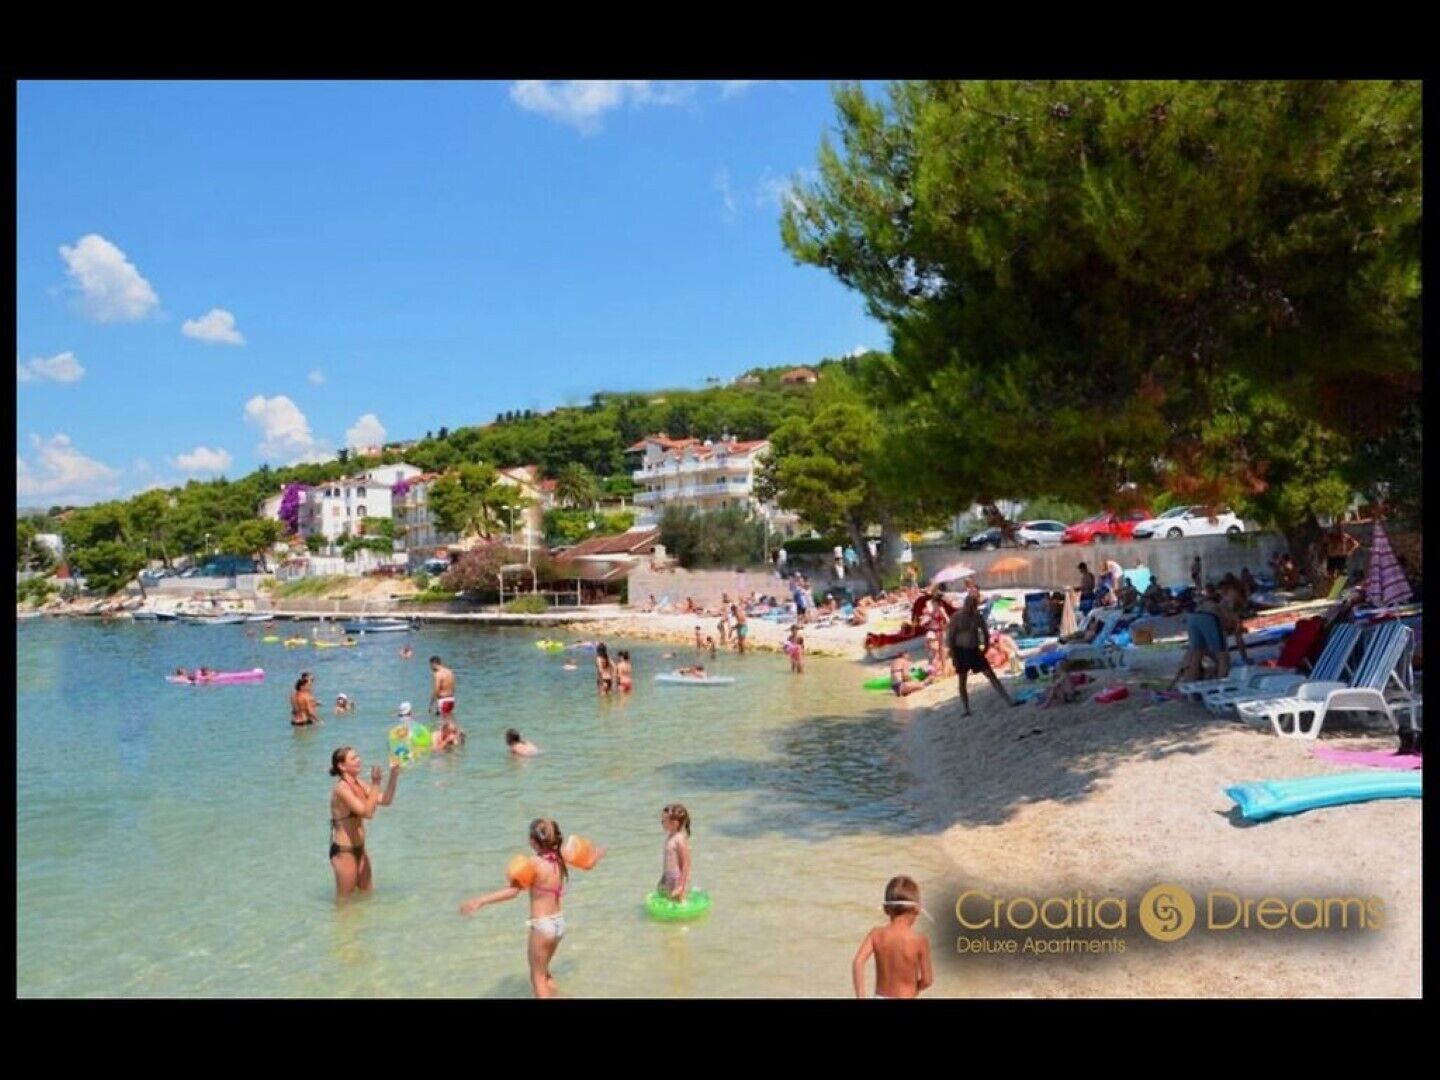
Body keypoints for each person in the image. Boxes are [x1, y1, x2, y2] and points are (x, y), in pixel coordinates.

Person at [459, 818, 605, 999]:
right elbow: (588, 864)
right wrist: (596, 856)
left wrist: (480, 901)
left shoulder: (533, 864)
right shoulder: (561, 857)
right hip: (559, 924)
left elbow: (512, 892)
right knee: (545, 973)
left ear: (533, 842)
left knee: (537, 978)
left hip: (543, 926)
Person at [328, 746, 399, 900]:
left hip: (360, 848)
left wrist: (394, 774)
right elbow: (367, 813)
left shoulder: (359, 783)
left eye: (358, 756)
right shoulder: (341, 789)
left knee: (367, 898)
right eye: (353, 758)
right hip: (344, 851)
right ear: (341, 766)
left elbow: (386, 800)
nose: (359, 760)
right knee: (344, 903)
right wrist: (375, 782)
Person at [852, 876, 933, 999]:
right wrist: (914, 990)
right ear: (917, 910)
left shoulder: (876, 934)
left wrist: (861, 996)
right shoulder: (919, 940)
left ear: (885, 909)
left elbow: (858, 962)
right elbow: (927, 980)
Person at [945, 593, 1016, 716]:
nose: (970, 607)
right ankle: (966, 709)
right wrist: (954, 656)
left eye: (973, 605)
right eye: (968, 604)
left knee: (991, 675)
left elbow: (985, 632)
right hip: (961, 651)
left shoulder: (976, 617)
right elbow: (950, 638)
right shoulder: (957, 618)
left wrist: (986, 647)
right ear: (965, 604)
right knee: (962, 681)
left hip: (974, 650)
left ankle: (1009, 700)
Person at [658, 803, 692, 901]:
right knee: (670, 901)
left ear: (675, 823)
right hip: (669, 876)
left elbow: (686, 863)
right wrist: (663, 877)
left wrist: (681, 885)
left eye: (664, 821)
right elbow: (668, 861)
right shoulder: (670, 837)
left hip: (677, 878)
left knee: (678, 902)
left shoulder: (679, 839)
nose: (661, 822)